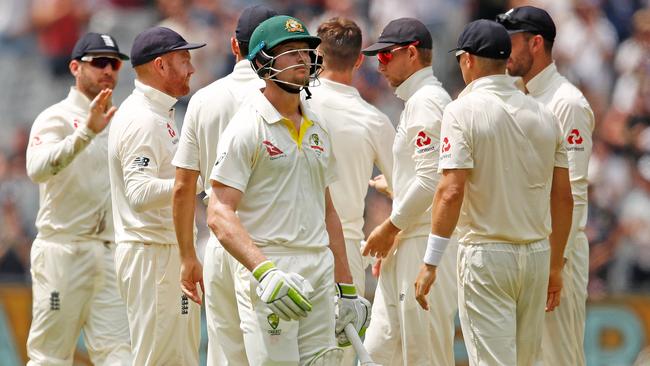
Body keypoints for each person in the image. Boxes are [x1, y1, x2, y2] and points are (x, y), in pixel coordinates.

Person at [206, 15, 370, 365]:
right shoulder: (246, 127)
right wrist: (265, 272)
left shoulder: (317, 126)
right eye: (290, 51)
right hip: (272, 270)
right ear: (263, 62)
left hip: (319, 269)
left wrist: (348, 288)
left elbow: (328, 212)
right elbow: (218, 212)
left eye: (306, 51)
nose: (303, 58)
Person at [414, 19, 574, 366]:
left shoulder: (461, 111)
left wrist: (430, 261)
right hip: (535, 254)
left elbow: (451, 190)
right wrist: (556, 265)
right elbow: (563, 196)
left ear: (468, 60)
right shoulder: (545, 115)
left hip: (486, 255)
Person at [171, 4, 277, 365]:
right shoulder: (287, 99)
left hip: (218, 244)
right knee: (274, 355)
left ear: (235, 45)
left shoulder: (203, 99)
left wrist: (188, 257)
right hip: (269, 243)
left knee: (225, 356)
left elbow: (184, 187)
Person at [25, 32, 131, 365]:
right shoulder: (54, 117)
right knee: (50, 357)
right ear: (74, 67)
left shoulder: (118, 123)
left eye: (113, 64)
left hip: (108, 253)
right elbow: (37, 168)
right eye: (99, 63)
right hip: (63, 253)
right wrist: (85, 132)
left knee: (120, 353)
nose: (108, 71)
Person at [497, 6, 595, 365]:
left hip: (558, 254)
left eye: (511, 42)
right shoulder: (516, 95)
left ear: (536, 43)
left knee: (558, 357)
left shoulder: (566, 102)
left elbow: (574, 192)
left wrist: (557, 264)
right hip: (528, 250)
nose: (504, 50)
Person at [360, 17, 458, 365]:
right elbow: (425, 176)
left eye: (386, 56)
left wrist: (390, 228)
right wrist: (397, 189)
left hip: (422, 244)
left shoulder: (428, 101)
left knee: (424, 356)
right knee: (377, 352)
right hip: (407, 241)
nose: (379, 65)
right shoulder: (418, 101)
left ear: (412, 53)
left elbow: (433, 180)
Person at [107, 26, 205, 366]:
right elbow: (139, 192)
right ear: (161, 66)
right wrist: (194, 181)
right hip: (151, 255)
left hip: (165, 251)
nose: (192, 69)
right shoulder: (141, 119)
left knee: (181, 359)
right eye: (184, 60)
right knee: (158, 360)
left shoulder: (160, 113)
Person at [307, 17, 394, 359]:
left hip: (292, 244)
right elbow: (408, 190)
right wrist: (391, 235)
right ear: (359, 60)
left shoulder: (293, 104)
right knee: (340, 357)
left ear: (317, 54)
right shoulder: (373, 120)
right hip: (347, 252)